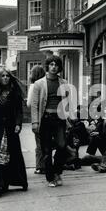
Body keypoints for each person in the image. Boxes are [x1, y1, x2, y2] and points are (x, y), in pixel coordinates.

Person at [0, 68, 28, 196]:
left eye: (7, 76)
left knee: (11, 155)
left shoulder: (14, 93)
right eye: (2, 76)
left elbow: (19, 110)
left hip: (10, 127)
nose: (5, 78)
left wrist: (18, 124)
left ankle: (14, 181)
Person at [31, 55, 68, 187]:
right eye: (51, 64)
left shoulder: (64, 83)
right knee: (46, 150)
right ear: (47, 66)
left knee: (62, 146)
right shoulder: (39, 84)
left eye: (56, 65)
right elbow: (34, 105)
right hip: (45, 119)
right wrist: (35, 122)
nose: (53, 67)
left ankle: (57, 171)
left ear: (59, 67)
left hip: (59, 119)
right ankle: (50, 177)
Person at [26, 65, 46, 175]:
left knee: (39, 144)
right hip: (47, 117)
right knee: (46, 143)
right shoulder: (45, 84)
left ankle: (39, 166)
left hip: (37, 118)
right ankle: (47, 164)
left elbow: (29, 103)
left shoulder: (34, 86)